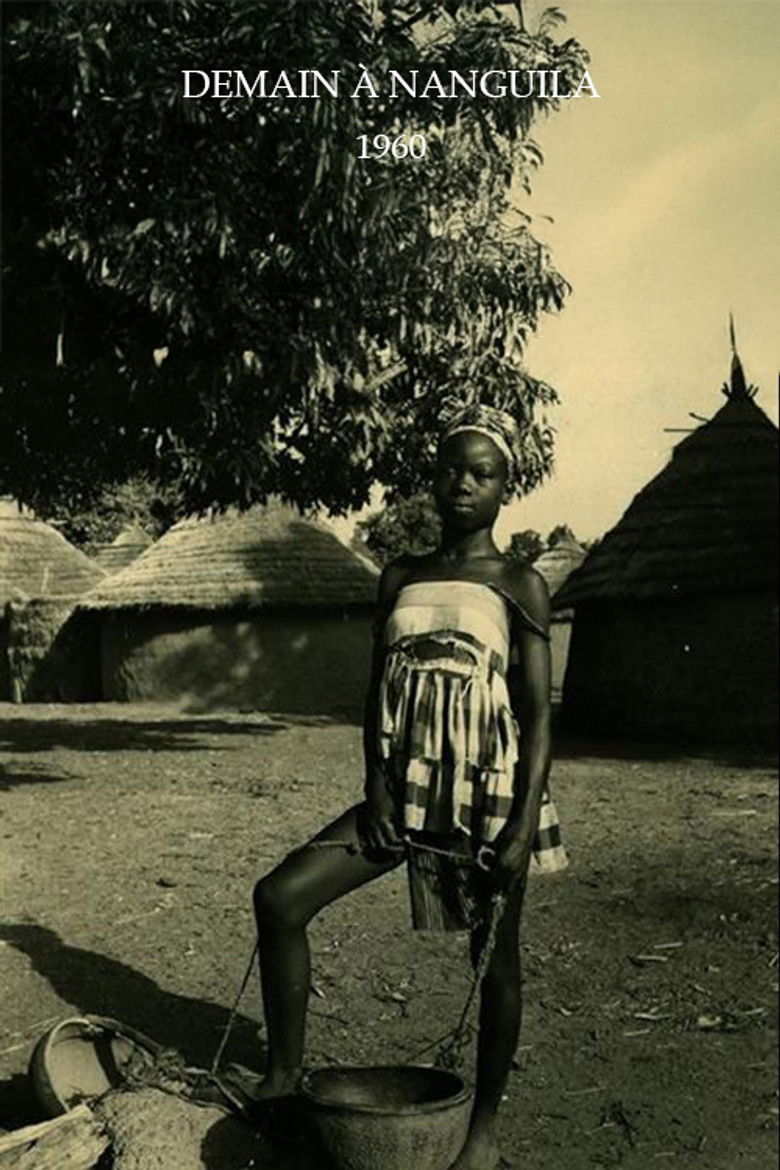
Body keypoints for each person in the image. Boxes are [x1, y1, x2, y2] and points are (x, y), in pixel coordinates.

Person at [250, 402, 567, 1170]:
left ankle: (481, 1135)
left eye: (481, 473)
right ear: (433, 477)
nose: (463, 484)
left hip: (487, 801)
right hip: (402, 794)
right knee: (280, 898)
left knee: (495, 962)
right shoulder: (400, 576)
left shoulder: (519, 584)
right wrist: (379, 788)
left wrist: (522, 826)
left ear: (504, 487)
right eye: (451, 469)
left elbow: (536, 717)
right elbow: (376, 695)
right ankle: (283, 1082)